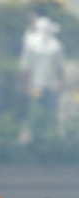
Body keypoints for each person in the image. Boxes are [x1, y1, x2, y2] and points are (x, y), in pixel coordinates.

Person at [17, 16, 64, 144]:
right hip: (50, 85)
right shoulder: (57, 46)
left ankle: (35, 139)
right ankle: (50, 139)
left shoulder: (31, 45)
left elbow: (24, 68)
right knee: (49, 112)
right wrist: (60, 85)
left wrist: (23, 85)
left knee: (34, 112)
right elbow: (60, 70)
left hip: (34, 85)